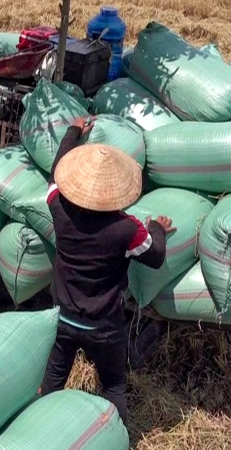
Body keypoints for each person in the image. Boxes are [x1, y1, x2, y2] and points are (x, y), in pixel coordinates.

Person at [39, 116, 175, 424]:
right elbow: (155, 256)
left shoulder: (59, 208)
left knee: (53, 380)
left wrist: (73, 132)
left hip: (62, 317)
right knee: (113, 386)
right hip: (104, 326)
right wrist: (157, 227)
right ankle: (119, 440)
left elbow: (54, 177)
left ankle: (39, 429)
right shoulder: (126, 229)